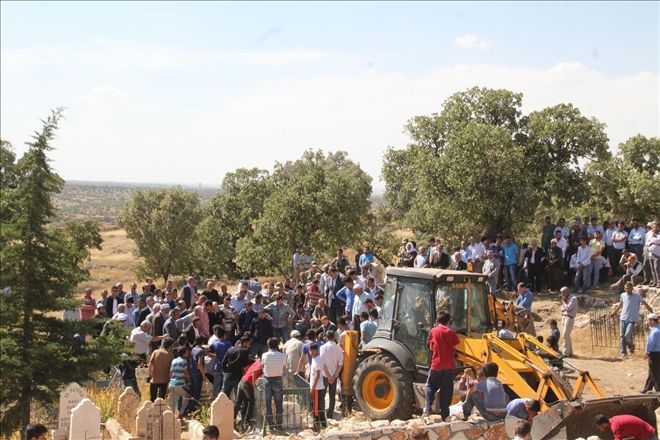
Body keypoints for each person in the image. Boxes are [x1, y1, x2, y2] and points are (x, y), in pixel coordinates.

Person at [424, 311, 460, 419]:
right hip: (449, 365)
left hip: (436, 364)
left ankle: (428, 408)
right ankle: (445, 413)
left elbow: (430, 347)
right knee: (446, 389)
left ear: (437, 321)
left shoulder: (433, 331)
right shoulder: (450, 332)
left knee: (430, 386)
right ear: (448, 321)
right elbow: (455, 345)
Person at [611, 281, 654, 358]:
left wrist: (651, 311)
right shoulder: (623, 295)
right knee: (622, 336)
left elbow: (644, 303)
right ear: (624, 288)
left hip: (632, 319)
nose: (627, 290)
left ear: (632, 288)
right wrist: (614, 312)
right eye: (626, 288)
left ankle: (631, 346)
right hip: (623, 318)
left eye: (629, 288)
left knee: (627, 335)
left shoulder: (637, 296)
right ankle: (623, 353)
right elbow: (621, 304)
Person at [261, 337, 286, 429]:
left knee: (268, 404)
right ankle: (279, 425)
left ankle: (270, 425)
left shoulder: (264, 355)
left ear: (268, 345)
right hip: (278, 380)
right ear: (278, 345)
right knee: (279, 404)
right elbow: (283, 368)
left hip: (267, 380)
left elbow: (262, 365)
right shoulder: (282, 355)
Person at [320, 330, 343, 420]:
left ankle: (322, 415)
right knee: (332, 396)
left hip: (325, 375)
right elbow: (340, 364)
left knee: (322, 395)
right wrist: (333, 376)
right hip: (334, 376)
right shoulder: (339, 349)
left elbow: (322, 363)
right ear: (334, 337)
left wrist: (329, 376)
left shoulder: (322, 347)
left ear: (326, 337)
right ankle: (330, 414)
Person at [235, 358, 263, 431]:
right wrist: (254, 384)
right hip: (247, 383)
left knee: (238, 402)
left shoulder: (256, 363)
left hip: (242, 381)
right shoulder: (261, 365)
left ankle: (232, 418)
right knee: (251, 401)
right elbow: (254, 373)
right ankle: (246, 421)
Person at [149, 337, 174, 402]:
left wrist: (149, 375)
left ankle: (152, 412)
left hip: (154, 379)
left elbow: (150, 364)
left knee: (152, 399)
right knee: (161, 401)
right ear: (170, 346)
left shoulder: (155, 352)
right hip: (164, 380)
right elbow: (171, 369)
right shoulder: (170, 355)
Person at [309, 343, 327, 430]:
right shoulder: (314, 359)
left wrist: (313, 388)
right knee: (316, 406)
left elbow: (318, 375)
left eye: (312, 350)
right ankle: (322, 424)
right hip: (315, 387)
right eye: (310, 350)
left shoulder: (318, 360)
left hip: (317, 388)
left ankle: (317, 425)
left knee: (316, 407)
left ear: (316, 350)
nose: (310, 352)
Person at [641, 313, 660, 394]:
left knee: (654, 372)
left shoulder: (654, 331)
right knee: (652, 371)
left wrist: (647, 351)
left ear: (652, 321)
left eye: (648, 320)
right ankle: (647, 388)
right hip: (658, 353)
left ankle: (658, 390)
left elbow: (650, 343)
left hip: (654, 353)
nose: (647, 321)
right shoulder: (657, 329)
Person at [210, 330, 232, 399]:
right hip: (225, 366)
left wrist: (213, 355)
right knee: (224, 385)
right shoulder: (228, 343)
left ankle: (214, 399)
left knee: (216, 384)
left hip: (217, 365)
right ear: (224, 335)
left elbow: (209, 351)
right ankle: (222, 399)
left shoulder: (214, 343)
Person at [169, 346, 190, 416]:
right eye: (187, 352)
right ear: (184, 353)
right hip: (180, 384)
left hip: (172, 384)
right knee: (187, 396)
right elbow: (186, 372)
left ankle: (169, 417)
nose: (188, 353)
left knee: (172, 403)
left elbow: (171, 372)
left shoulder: (174, 360)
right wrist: (189, 380)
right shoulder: (184, 361)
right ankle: (181, 413)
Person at [559, 287, 577, 357]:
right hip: (564, 317)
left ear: (567, 291)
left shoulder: (573, 298)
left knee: (565, 335)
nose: (562, 294)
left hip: (569, 318)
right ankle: (570, 352)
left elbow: (568, 308)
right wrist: (564, 307)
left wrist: (564, 303)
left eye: (563, 292)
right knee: (567, 336)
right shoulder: (566, 299)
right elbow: (562, 308)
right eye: (562, 293)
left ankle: (565, 353)